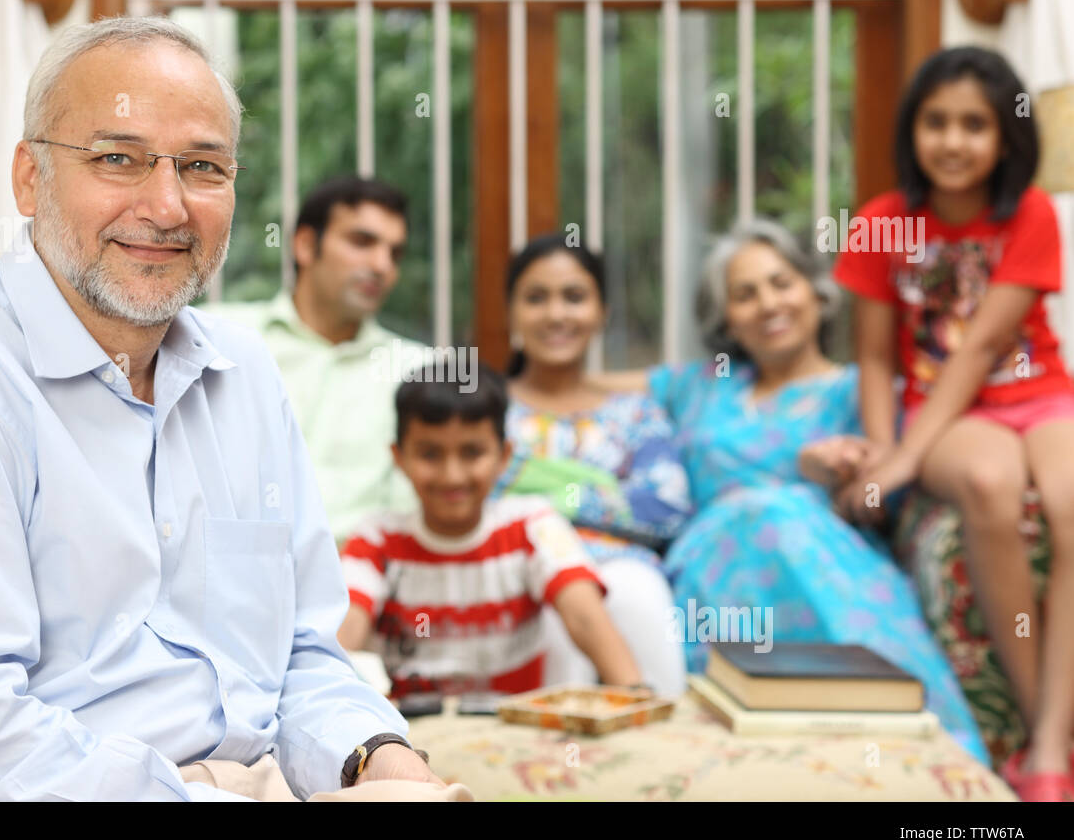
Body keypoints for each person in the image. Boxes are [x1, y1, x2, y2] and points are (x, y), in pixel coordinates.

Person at [0, 16, 466, 802]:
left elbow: (304, 654)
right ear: (28, 178)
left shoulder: (244, 375)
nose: (168, 205)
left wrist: (379, 758)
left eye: (203, 166)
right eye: (118, 159)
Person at [607, 219, 987, 762]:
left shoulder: (858, 388)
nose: (767, 304)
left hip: (822, 559)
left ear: (815, 290)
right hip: (711, 568)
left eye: (781, 283)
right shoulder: (699, 384)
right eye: (745, 294)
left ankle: (937, 769)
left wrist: (836, 476)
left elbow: (882, 502)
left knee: (780, 520)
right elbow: (579, 390)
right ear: (727, 320)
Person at [833, 46, 1074, 801]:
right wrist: (883, 453)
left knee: (1072, 502)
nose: (954, 141)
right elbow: (875, 359)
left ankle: (1045, 741)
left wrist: (904, 461)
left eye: (976, 124)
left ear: (1006, 137)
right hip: (951, 412)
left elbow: (979, 349)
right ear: (913, 130)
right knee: (987, 480)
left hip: (1034, 391)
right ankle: (1048, 745)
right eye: (937, 121)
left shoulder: (1029, 213)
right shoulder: (880, 222)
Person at [337, 359, 644, 696]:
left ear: (504, 456)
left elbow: (585, 617)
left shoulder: (532, 525)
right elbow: (345, 632)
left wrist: (637, 696)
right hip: (403, 740)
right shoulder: (376, 538)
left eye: (472, 453)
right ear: (399, 457)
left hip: (513, 732)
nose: (452, 475)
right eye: (429, 454)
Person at [492, 234, 691, 698]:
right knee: (552, 606)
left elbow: (667, 507)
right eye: (536, 298)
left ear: (602, 312)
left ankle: (663, 745)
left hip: (625, 573)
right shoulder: (484, 409)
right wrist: (605, 486)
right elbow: (467, 502)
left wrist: (536, 494)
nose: (556, 314)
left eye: (574, 297)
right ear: (511, 313)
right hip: (514, 572)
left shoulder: (636, 413)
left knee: (639, 595)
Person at [209, 176, 422, 545]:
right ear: (306, 245)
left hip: (362, 587)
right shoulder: (220, 338)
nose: (381, 265)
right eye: (362, 242)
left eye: (395, 254)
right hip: (224, 575)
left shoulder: (416, 370)